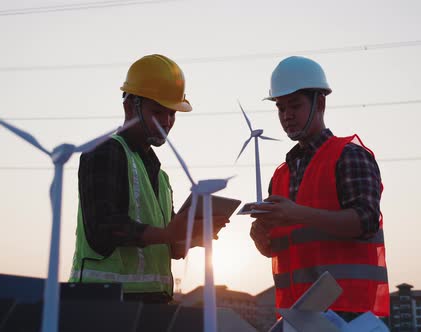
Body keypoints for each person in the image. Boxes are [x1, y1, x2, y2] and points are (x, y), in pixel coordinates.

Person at [70, 54, 228, 304]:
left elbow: (171, 248)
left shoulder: (160, 175)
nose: (166, 122)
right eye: (158, 112)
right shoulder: (104, 152)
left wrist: (192, 236)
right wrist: (169, 234)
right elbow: (102, 228)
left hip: (152, 303)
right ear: (130, 106)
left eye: (172, 114)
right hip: (102, 303)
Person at [249, 56, 389, 320]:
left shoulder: (349, 156)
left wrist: (296, 214)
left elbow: (366, 220)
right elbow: (281, 248)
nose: (287, 116)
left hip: (347, 314)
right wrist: (261, 237)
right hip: (295, 315)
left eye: (295, 106)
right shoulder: (281, 174)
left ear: (320, 103)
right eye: (280, 108)